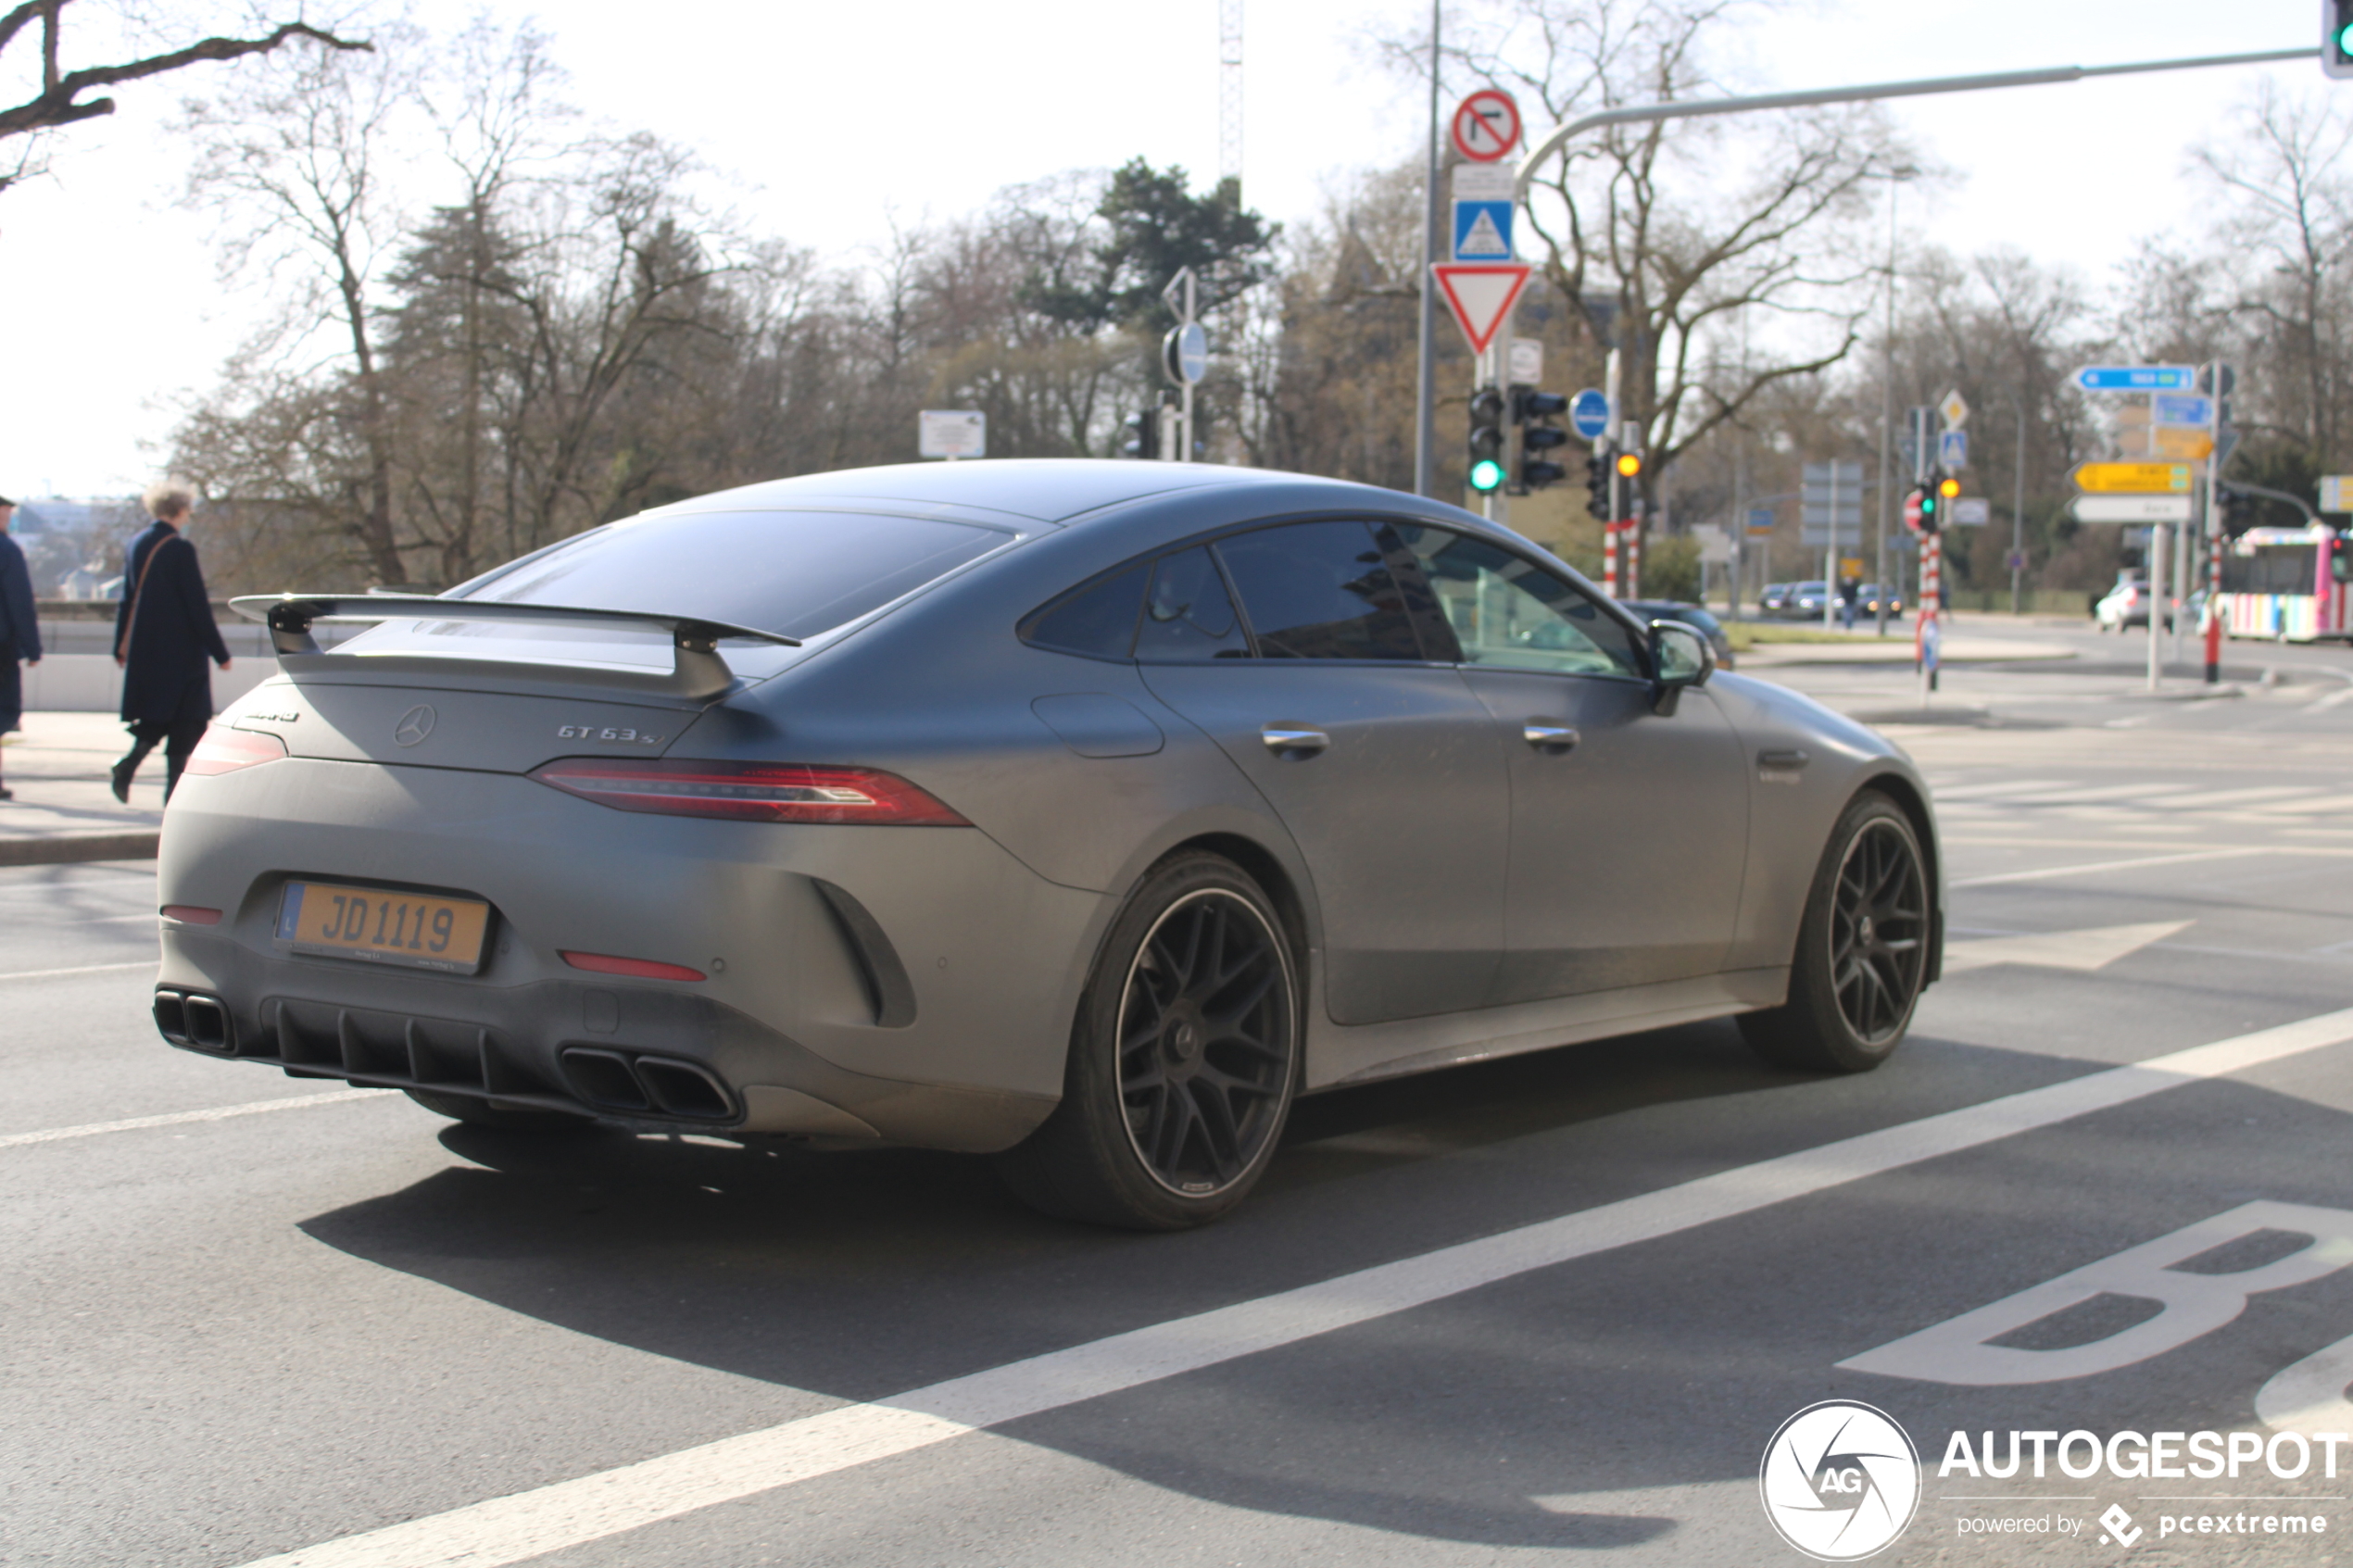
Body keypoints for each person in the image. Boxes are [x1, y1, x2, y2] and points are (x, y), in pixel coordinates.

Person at [111, 481, 231, 803]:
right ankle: (172, 798)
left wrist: (120, 647)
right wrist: (220, 652)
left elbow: (127, 600)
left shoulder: (137, 543)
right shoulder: (179, 548)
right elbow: (196, 605)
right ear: (179, 510)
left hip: (146, 649)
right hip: (181, 651)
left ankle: (130, 765)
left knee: (160, 714)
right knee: (187, 721)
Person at [0, 495, 43, 801]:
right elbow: (20, 603)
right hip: (2, 648)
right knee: (4, 711)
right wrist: (33, 647)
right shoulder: (8, 551)